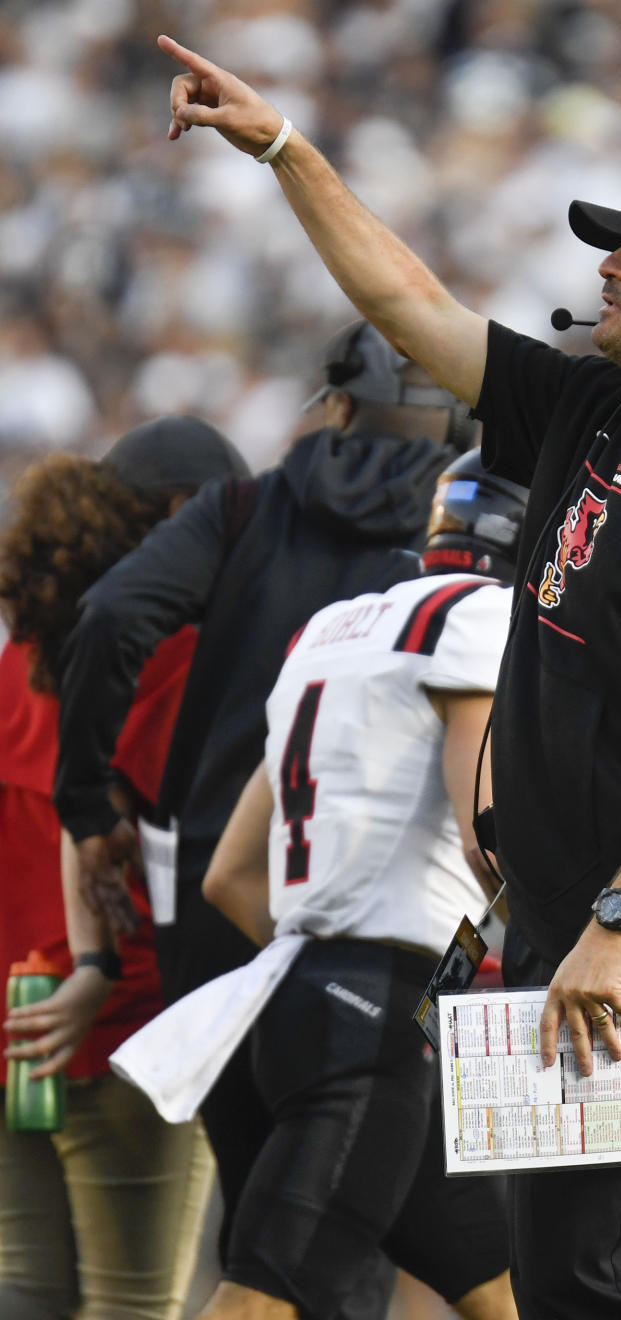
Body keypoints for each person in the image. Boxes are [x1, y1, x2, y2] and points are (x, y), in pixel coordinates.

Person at [152, 35, 621, 1319]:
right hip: (552, 922)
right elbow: (410, 306)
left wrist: (616, 930)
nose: (608, 264)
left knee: (598, 1279)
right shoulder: (602, 409)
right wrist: (286, 152)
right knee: (557, 1279)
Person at [52, 319, 474, 1254]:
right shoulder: (473, 538)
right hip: (380, 924)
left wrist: (86, 806)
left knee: (257, 1213)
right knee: (365, 1229)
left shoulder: (244, 508)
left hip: (216, 895)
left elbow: (113, 615)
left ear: (332, 405)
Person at [109, 450, 525, 1320]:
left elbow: (229, 873)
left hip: (299, 995)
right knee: (257, 1299)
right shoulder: (483, 618)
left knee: (500, 1288)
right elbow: (494, 840)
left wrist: (330, 967)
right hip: (377, 1022)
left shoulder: (332, 629)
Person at [0, 418, 248, 1320]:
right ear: (183, 515)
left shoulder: (19, 660)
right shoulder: (174, 661)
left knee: (27, 1290)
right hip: (130, 1024)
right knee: (131, 1305)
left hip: (14, 1026)